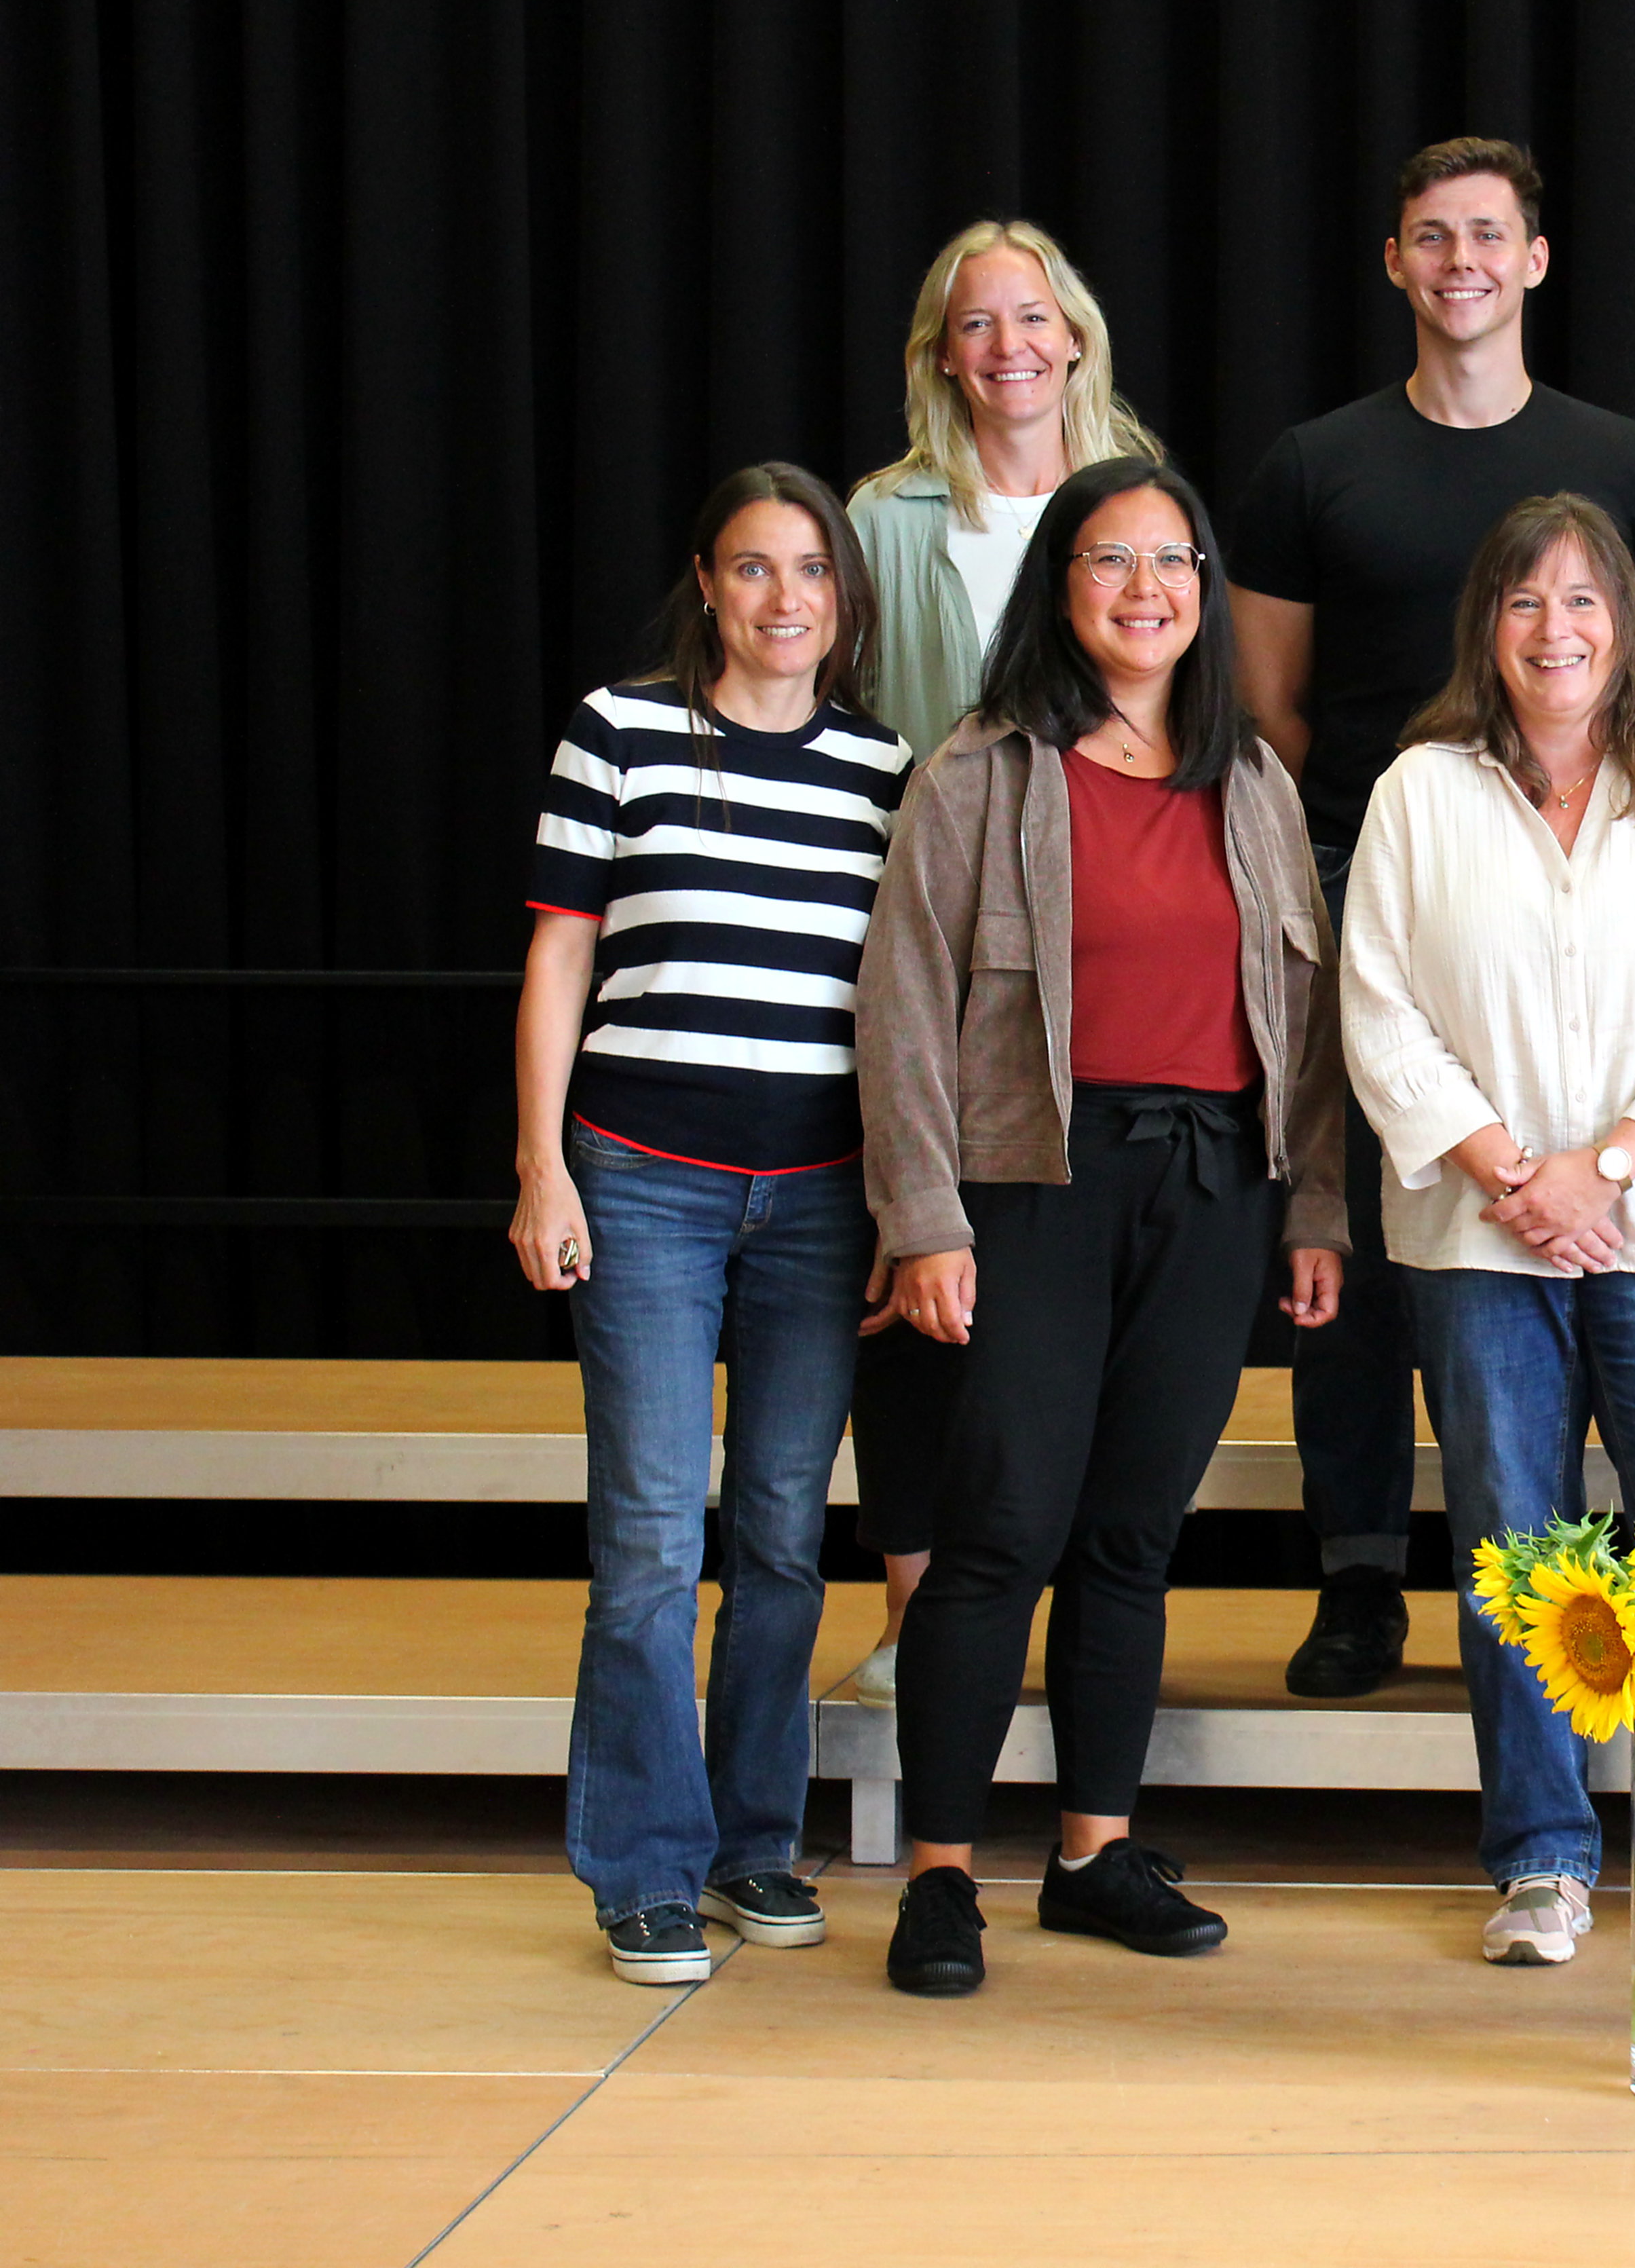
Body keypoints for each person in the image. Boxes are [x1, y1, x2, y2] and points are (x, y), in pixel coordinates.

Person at [856, 456, 1349, 1999]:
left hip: (1214, 1192)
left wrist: (1316, 1207)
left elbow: (1309, 1020)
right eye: (1111, 560)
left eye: (1174, 562)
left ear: (1206, 590)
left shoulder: (1252, 782)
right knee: (1001, 1530)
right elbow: (903, 1003)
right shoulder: (983, 768)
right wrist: (924, 1218)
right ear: (1059, 587)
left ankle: (1093, 1855)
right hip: (1033, 1190)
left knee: (1134, 1535)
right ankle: (941, 1877)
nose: (1148, 590)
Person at [1230, 138, 1635, 1700]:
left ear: (1536, 260)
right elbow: (1273, 706)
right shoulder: (1316, 466)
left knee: (1581, 1197)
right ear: (1396, 262)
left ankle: (1605, 1577)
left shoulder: (1627, 467)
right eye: (1433, 238)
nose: (1462, 264)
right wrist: (1371, 859)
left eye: (1490, 236)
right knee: (1360, 1236)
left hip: (1579, 882)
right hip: (1369, 874)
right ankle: (1361, 1576)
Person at [1342, 493, 1635, 1966]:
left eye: (1584, 599)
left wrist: (1608, 1167)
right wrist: (1516, 1173)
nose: (1556, 629)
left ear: (1631, 625)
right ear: (1487, 626)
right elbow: (1379, 1009)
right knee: (1518, 1552)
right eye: (1524, 601)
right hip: (1481, 1240)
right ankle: (1541, 1859)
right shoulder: (1420, 794)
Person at [508, 464, 909, 1984]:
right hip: (640, 1179)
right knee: (650, 1538)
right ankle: (645, 1868)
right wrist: (541, 1168)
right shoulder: (618, 733)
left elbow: (903, 1010)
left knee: (788, 1537)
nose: (783, 599)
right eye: (753, 568)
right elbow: (560, 960)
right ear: (706, 584)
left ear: (843, 597)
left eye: (810, 571)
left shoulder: (884, 768)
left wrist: (901, 1201)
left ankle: (754, 1844)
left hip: (820, 1197)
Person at [841, 219, 1169, 1709]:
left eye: (1031, 318)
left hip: (1097, 944)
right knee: (909, 1262)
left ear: (1075, 336)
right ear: (941, 355)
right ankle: (922, 1614)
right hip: (932, 925)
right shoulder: (888, 513)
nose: (1009, 347)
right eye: (976, 324)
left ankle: (1066, 1622)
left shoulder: (1135, 495)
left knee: (1056, 1291)